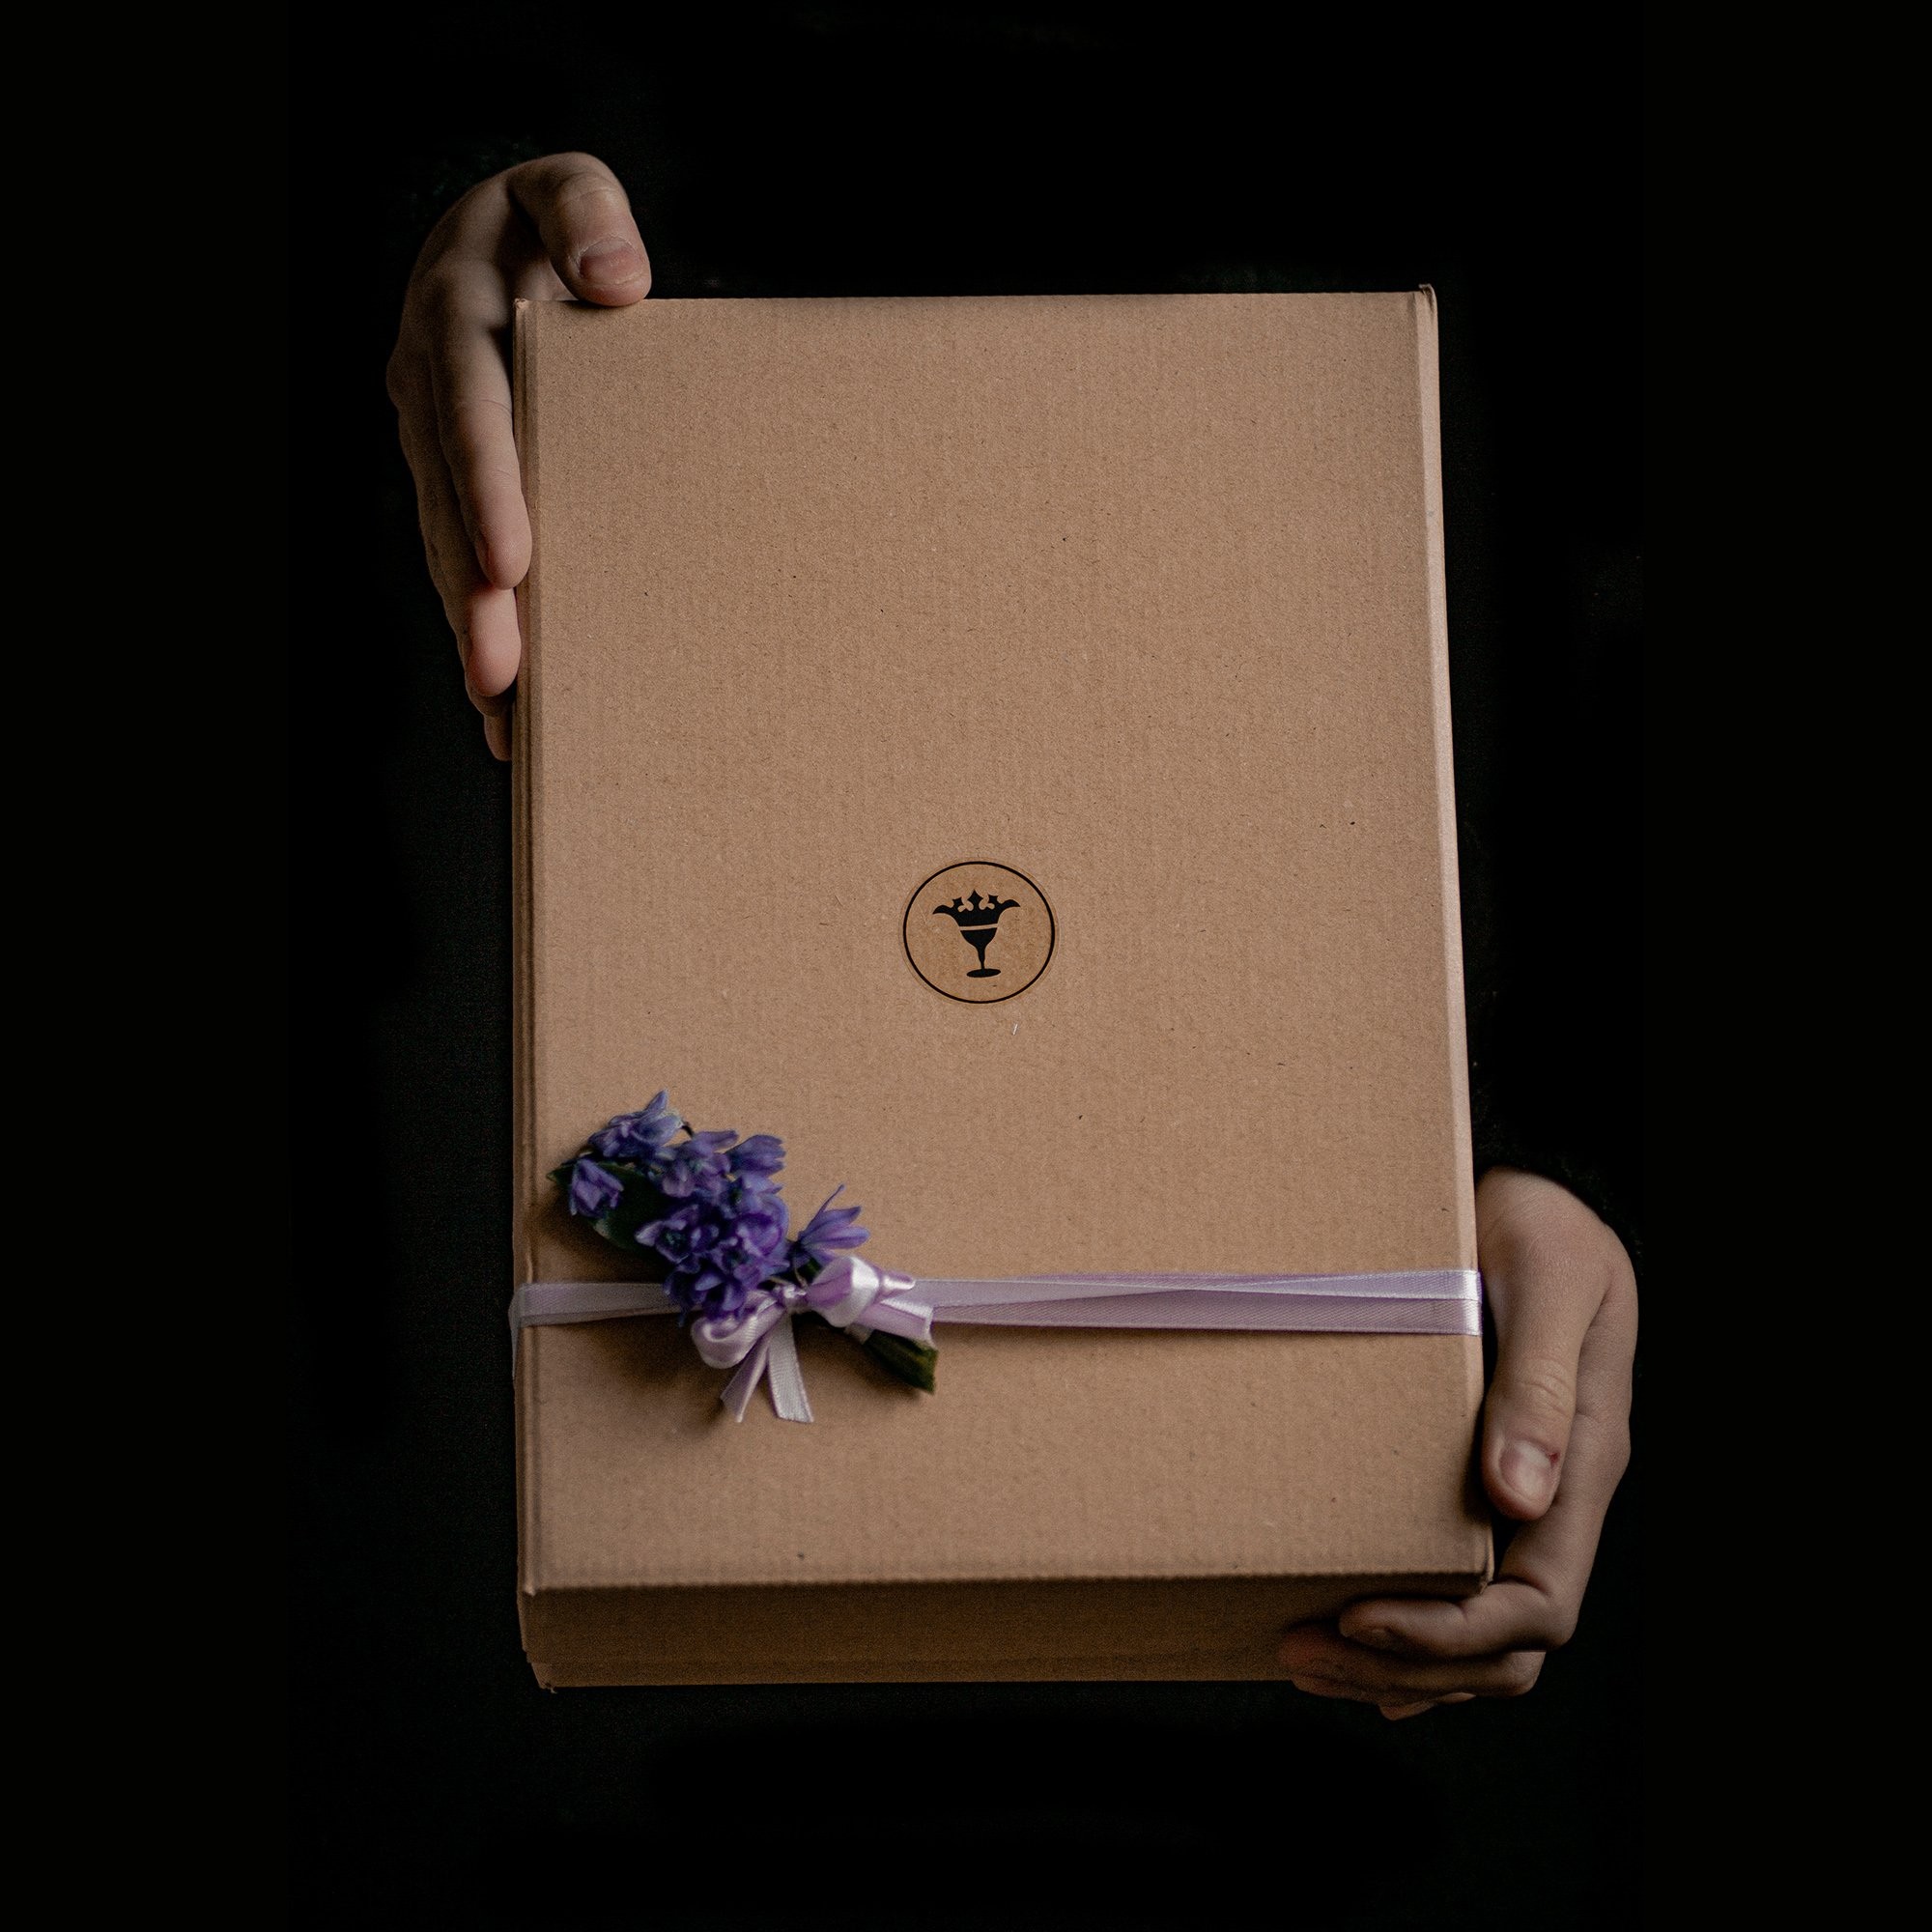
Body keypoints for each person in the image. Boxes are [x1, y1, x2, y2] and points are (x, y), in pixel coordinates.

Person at [385, 152, 1638, 1721]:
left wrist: (1541, 1179)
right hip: (491, 1568)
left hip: (1309, 1613)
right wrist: (482, 264)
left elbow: (1555, 708)